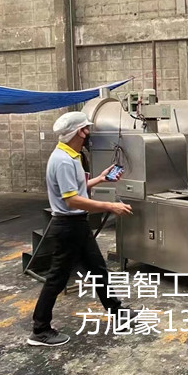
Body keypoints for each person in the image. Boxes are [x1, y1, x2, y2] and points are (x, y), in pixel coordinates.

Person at [28, 111, 134, 347]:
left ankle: (118, 313)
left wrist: (100, 179)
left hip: (77, 225)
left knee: (98, 270)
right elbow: (72, 200)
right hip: (68, 226)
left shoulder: (71, 155)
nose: (89, 133)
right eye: (87, 129)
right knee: (57, 278)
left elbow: (77, 188)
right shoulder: (63, 160)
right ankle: (40, 330)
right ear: (79, 132)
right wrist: (110, 206)